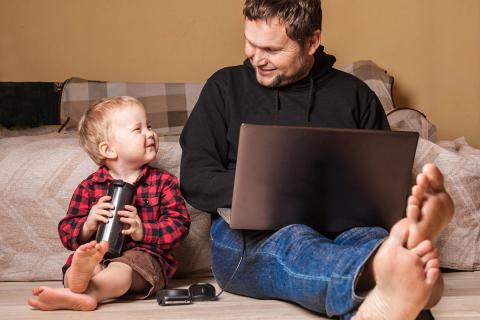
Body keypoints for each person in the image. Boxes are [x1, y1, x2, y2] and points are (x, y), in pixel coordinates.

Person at [179, 1, 454, 319]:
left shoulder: (355, 95)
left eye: (270, 48)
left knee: (376, 240)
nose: (256, 57)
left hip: (349, 228)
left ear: (312, 42)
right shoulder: (224, 87)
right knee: (297, 242)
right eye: (250, 42)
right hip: (249, 239)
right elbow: (195, 177)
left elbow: (382, 186)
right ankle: (390, 270)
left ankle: (389, 286)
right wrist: (272, 189)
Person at [27, 96, 190, 311]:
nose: (150, 133)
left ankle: (88, 292)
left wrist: (144, 231)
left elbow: (179, 226)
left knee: (124, 267)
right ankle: (78, 283)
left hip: (143, 258)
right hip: (98, 252)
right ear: (108, 149)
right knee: (81, 262)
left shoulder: (163, 183)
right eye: (138, 129)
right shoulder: (90, 187)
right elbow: (66, 231)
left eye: (149, 126)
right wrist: (88, 225)